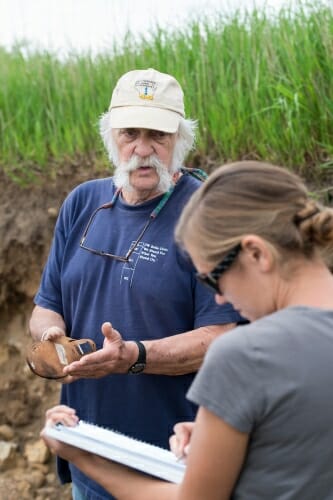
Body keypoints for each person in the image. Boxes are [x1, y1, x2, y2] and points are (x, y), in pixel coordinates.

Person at [41, 161, 333, 499]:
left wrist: (85, 457)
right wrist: (227, 437)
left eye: (212, 278)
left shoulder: (244, 355)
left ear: (257, 253)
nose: (220, 297)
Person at [29, 68, 243, 499]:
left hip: (173, 462)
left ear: (180, 140)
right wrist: (52, 338)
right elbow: (46, 305)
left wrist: (134, 356)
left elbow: (223, 336)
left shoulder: (208, 215)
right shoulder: (83, 203)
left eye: (158, 136)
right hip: (87, 446)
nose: (142, 150)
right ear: (111, 134)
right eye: (130, 133)